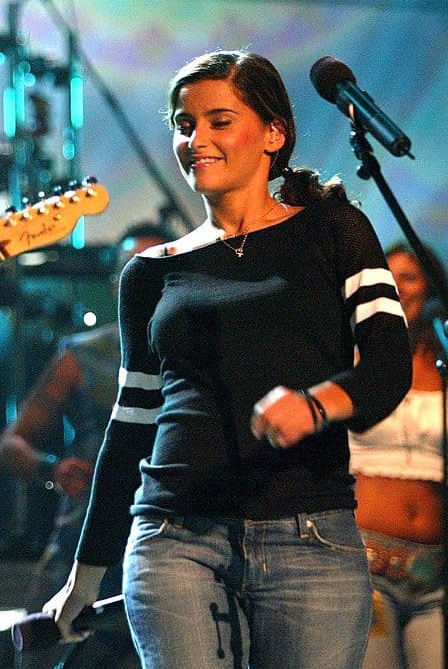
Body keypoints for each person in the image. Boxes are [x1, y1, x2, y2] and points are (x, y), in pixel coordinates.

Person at [43, 50, 412, 668]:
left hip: (309, 537)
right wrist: (85, 576)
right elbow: (130, 427)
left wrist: (315, 406)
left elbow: (388, 368)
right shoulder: (150, 273)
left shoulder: (334, 230)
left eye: (219, 121)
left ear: (274, 134)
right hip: (175, 538)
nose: (196, 140)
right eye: (184, 125)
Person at [0, 221, 174, 667]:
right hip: (85, 533)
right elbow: (10, 445)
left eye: (156, 270)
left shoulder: (200, 355)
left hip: (170, 542)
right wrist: (52, 469)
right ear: (116, 282)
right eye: (132, 270)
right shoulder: (82, 355)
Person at [350, 241, 448, 668]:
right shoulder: (352, 355)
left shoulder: (442, 362)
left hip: (436, 574)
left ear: (432, 287)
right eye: (388, 278)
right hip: (367, 570)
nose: (397, 288)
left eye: (408, 277)